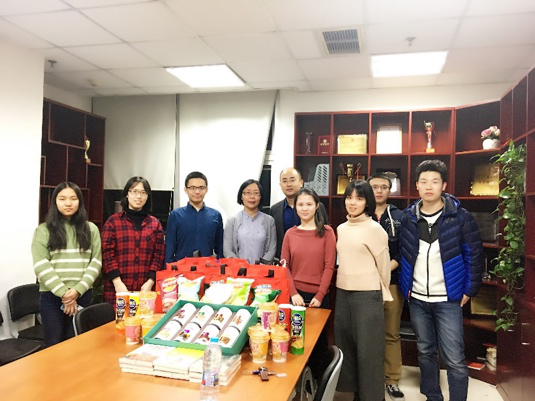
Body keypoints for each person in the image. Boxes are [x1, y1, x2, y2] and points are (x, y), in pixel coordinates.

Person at [399, 160, 484, 401]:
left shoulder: (460, 217)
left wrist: (469, 289)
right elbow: (403, 254)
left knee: (454, 358)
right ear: (417, 185)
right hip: (417, 299)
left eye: (435, 182)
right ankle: (432, 396)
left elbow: (474, 255)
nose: (429, 187)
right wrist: (407, 289)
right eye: (424, 182)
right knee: (425, 351)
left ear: (444, 185)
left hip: (448, 299)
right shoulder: (408, 218)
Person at [335, 180, 392, 401]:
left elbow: (384, 269)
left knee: (369, 353)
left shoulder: (375, 229)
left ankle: (372, 397)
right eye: (349, 197)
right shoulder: (341, 228)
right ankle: (356, 394)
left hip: (368, 296)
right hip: (343, 294)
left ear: (367, 202)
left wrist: (377, 293)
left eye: (359, 198)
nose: (352, 202)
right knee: (347, 348)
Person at [31, 182, 102, 347]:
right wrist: (65, 294)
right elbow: (41, 265)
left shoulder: (91, 229)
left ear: (80, 201)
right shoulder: (43, 230)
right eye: (62, 199)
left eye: (73, 198)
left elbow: (96, 262)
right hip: (51, 296)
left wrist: (77, 291)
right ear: (55, 202)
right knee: (54, 344)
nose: (68, 203)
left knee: (78, 344)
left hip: (82, 293)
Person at [281, 187, 336, 380]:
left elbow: (329, 266)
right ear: (295, 207)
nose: (304, 208)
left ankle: (319, 384)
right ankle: (296, 384)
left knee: (318, 344)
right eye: (301, 204)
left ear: (317, 206)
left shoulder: (327, 232)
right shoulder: (290, 234)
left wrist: (320, 295)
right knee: (295, 342)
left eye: (309, 204)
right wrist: (293, 293)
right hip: (295, 297)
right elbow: (285, 267)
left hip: (319, 298)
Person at [368, 173, 405, 401]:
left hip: (391, 282)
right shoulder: (361, 214)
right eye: (374, 187)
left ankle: (392, 380)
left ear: (390, 190)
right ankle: (370, 377)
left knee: (391, 332)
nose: (379, 191)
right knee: (368, 334)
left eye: (384, 187)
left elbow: (405, 249)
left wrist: (385, 270)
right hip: (365, 284)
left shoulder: (400, 217)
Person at [101, 176, 165, 305]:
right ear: (127, 194)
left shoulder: (154, 224)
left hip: (145, 288)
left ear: (147, 197)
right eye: (134, 191)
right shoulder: (113, 222)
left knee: (145, 317)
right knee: (117, 318)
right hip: (117, 288)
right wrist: (117, 282)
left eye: (143, 193)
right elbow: (107, 253)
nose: (138, 196)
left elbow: (158, 255)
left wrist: (150, 282)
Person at [269, 167, 328, 259]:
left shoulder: (318, 207)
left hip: (313, 257)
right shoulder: (275, 210)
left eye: (292, 180)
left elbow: (324, 234)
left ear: (301, 182)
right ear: (280, 185)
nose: (288, 184)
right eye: (284, 181)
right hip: (285, 260)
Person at [165, 171, 224, 263]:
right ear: (186, 190)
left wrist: (218, 265)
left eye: (201, 188)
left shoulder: (215, 216)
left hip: (207, 268)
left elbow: (219, 249)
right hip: (181, 268)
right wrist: (169, 268)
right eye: (192, 188)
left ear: (206, 190)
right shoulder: (175, 215)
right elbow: (169, 247)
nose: (197, 192)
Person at [223, 179, 276, 264]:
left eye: (256, 193)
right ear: (241, 196)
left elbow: (272, 249)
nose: (252, 197)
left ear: (260, 196)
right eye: (248, 193)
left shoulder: (269, 221)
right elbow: (227, 250)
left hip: (262, 269)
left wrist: (260, 266)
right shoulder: (232, 221)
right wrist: (241, 265)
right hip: (239, 269)